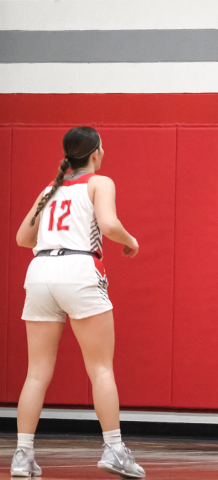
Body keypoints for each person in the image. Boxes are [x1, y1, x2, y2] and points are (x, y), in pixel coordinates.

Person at [12, 127, 144, 478]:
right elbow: (109, 225)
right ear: (96, 153)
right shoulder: (99, 182)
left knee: (36, 372)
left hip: (40, 271)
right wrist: (130, 241)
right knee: (100, 368)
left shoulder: (49, 189)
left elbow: (23, 237)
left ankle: (22, 455)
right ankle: (114, 449)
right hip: (79, 268)